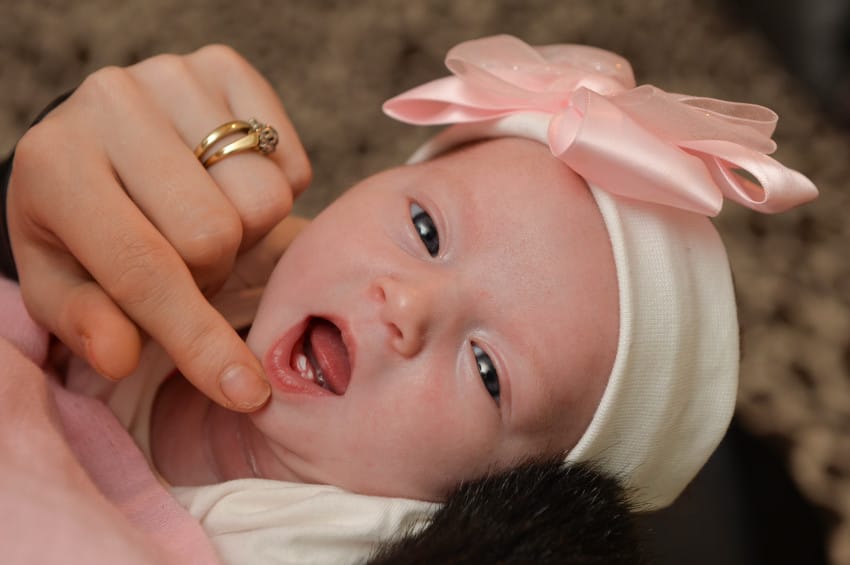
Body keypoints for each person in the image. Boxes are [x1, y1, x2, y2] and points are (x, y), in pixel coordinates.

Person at [0, 35, 817, 562]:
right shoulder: (163, 252)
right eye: (425, 228)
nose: (409, 306)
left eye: (490, 371)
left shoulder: (336, 545)